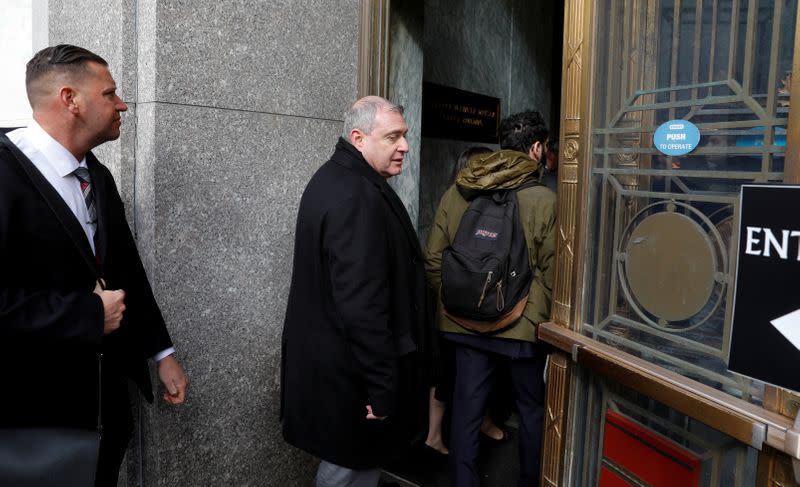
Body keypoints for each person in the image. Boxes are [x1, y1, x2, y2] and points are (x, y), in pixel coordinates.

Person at [0, 44, 188, 487]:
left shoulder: (96, 176)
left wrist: (161, 352)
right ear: (70, 99)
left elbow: (126, 268)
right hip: (31, 426)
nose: (122, 104)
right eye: (110, 94)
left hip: (102, 418)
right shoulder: (4, 176)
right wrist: (87, 315)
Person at [281, 96, 429, 487]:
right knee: (348, 472)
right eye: (393, 136)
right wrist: (383, 387)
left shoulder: (340, 179)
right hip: (354, 382)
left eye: (405, 136)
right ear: (359, 137)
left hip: (345, 375)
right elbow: (362, 305)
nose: (405, 146)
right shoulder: (355, 195)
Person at [424, 110, 557, 487]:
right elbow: (550, 273)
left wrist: (458, 306)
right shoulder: (544, 200)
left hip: (462, 325)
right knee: (531, 412)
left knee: (465, 411)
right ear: (535, 148)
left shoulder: (459, 189)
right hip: (521, 331)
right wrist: (526, 321)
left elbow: (434, 259)